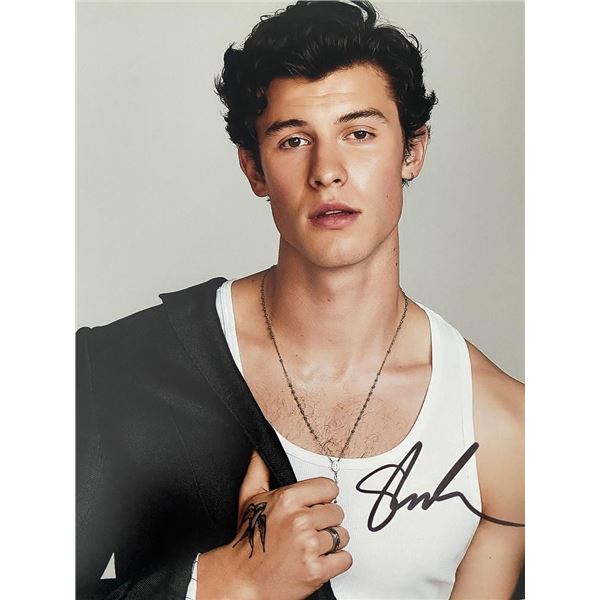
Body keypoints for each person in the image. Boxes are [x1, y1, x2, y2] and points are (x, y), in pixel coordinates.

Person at [76, 1, 524, 599]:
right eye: (293, 140)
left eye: (359, 133)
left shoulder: (505, 426)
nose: (327, 171)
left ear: (412, 151)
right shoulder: (120, 369)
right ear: (254, 168)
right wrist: (229, 583)